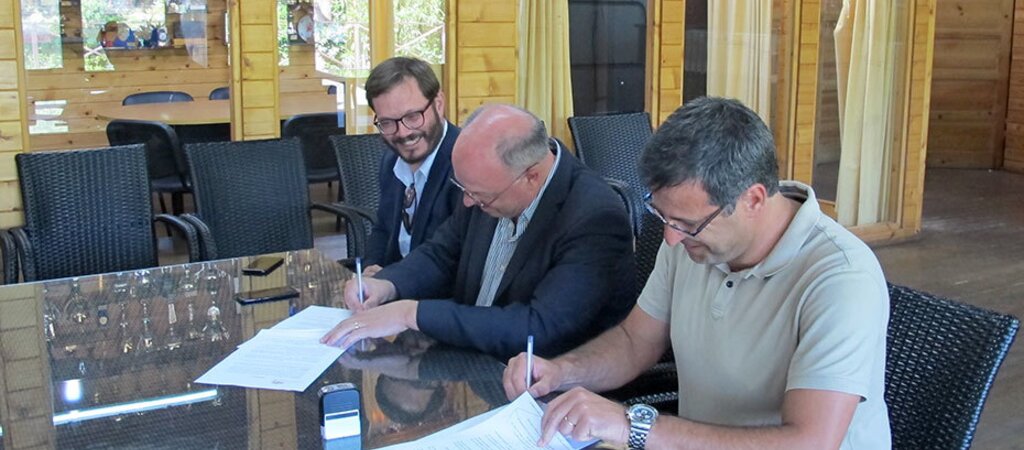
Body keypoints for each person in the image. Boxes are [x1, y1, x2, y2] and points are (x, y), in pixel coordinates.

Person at [502, 97, 890, 449]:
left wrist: (631, 426)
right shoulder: (690, 242)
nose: (670, 238)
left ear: (753, 199)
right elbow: (635, 341)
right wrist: (560, 371)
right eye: (662, 215)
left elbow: (810, 443)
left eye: (688, 224)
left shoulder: (841, 279)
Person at [321, 104, 636, 360]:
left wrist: (412, 314)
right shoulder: (485, 184)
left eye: (481, 195)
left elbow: (538, 327)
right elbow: (442, 254)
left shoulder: (594, 217)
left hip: (543, 386)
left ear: (531, 176)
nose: (468, 202)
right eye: (464, 189)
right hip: (470, 358)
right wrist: (387, 284)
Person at [362, 56, 462, 275]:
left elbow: (450, 258)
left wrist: (392, 282)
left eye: (413, 116)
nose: (403, 133)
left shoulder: (465, 166)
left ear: (438, 104)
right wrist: (371, 269)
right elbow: (383, 229)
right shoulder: (391, 162)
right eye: (387, 122)